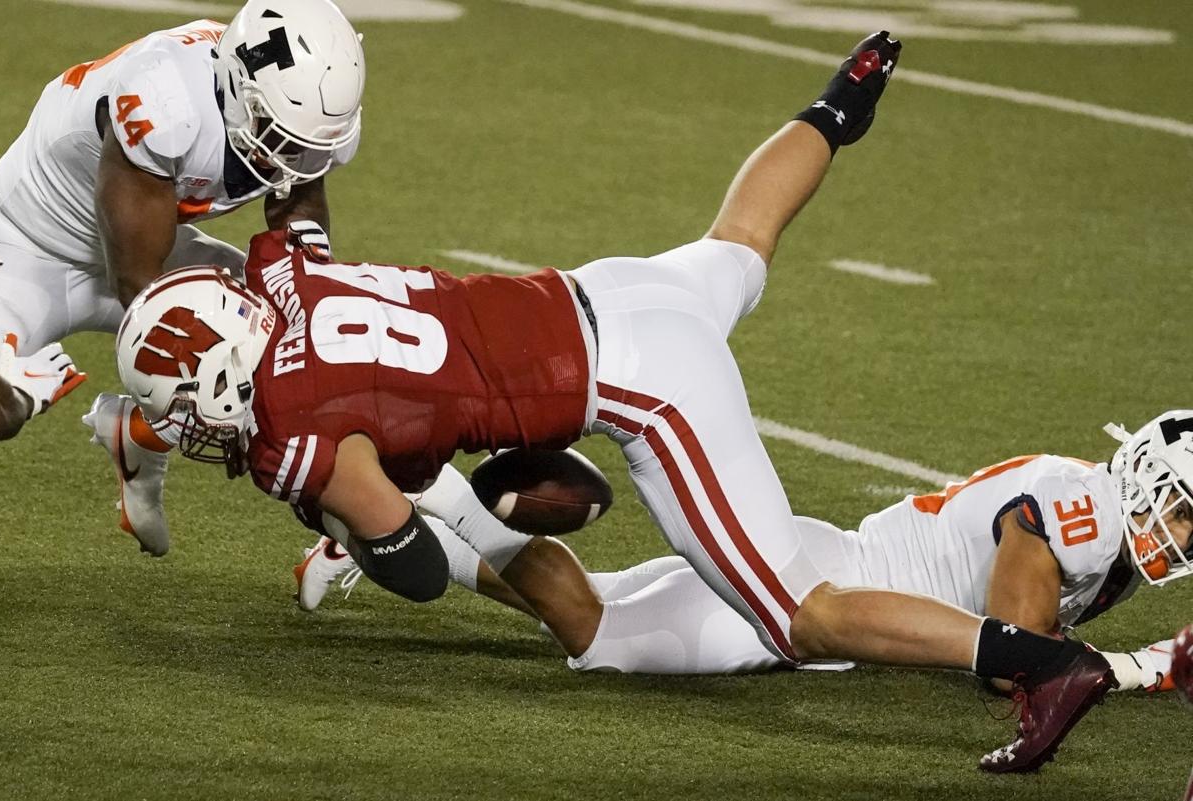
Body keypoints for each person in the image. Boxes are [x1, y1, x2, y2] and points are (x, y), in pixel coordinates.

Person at [113, 31, 1114, 772]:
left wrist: (354, 507)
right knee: (739, 241)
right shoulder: (287, 274)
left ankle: (1040, 660)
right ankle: (840, 104)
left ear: (221, 377)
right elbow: (300, 191)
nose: (195, 432)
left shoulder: (292, 432)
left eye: (191, 412)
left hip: (642, 384)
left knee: (802, 616)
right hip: (609, 291)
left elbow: (415, 568)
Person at [296, 423, 1191, 693]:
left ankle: (391, 515)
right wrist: (1143, 665)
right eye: (1182, 511)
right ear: (1146, 473)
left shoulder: (1093, 505)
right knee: (596, 631)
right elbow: (1013, 658)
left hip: (829, 563)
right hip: (820, 588)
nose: (1178, 535)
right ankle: (424, 488)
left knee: (598, 596)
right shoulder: (1081, 512)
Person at [0, 0, 364, 556]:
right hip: (23, 247)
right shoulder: (164, 101)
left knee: (315, 350)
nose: (288, 155)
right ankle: (143, 431)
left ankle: (352, 516)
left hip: (154, 245)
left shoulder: (298, 107)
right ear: (238, 88)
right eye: (276, 134)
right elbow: (139, 286)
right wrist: (226, 398)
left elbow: (299, 195)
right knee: (1, 412)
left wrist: (308, 301)